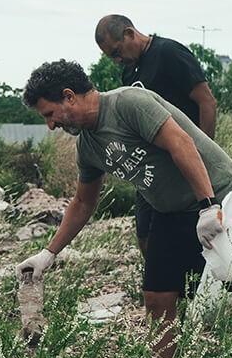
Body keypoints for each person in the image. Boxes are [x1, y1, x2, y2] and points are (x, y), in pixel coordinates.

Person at [15, 60, 232, 358]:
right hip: (167, 212)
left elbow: (181, 143)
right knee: (156, 297)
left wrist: (209, 206)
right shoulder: (88, 147)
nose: (51, 125)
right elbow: (83, 202)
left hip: (220, 196)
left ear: (69, 96)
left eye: (49, 114)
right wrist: (48, 254)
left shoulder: (127, 104)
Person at [94, 14, 219, 256]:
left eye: (117, 52)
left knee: (197, 227)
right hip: (152, 168)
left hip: (185, 156)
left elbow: (207, 102)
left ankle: (200, 286)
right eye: (112, 57)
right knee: (145, 232)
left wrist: (205, 151)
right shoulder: (130, 73)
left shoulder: (169, 53)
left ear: (130, 33)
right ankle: (165, 286)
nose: (118, 60)